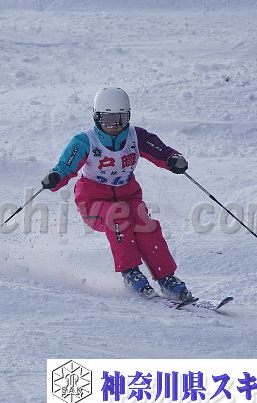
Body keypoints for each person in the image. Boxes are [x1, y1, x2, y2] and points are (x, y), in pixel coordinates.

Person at [41, 87, 193, 301]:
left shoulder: (136, 137)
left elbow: (162, 151)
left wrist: (173, 160)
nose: (114, 126)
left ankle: (166, 277)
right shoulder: (85, 141)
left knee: (144, 222)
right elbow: (66, 166)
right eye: (108, 120)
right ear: (97, 117)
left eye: (120, 119)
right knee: (117, 215)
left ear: (128, 116)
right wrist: (56, 177)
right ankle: (130, 273)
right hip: (93, 202)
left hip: (128, 196)